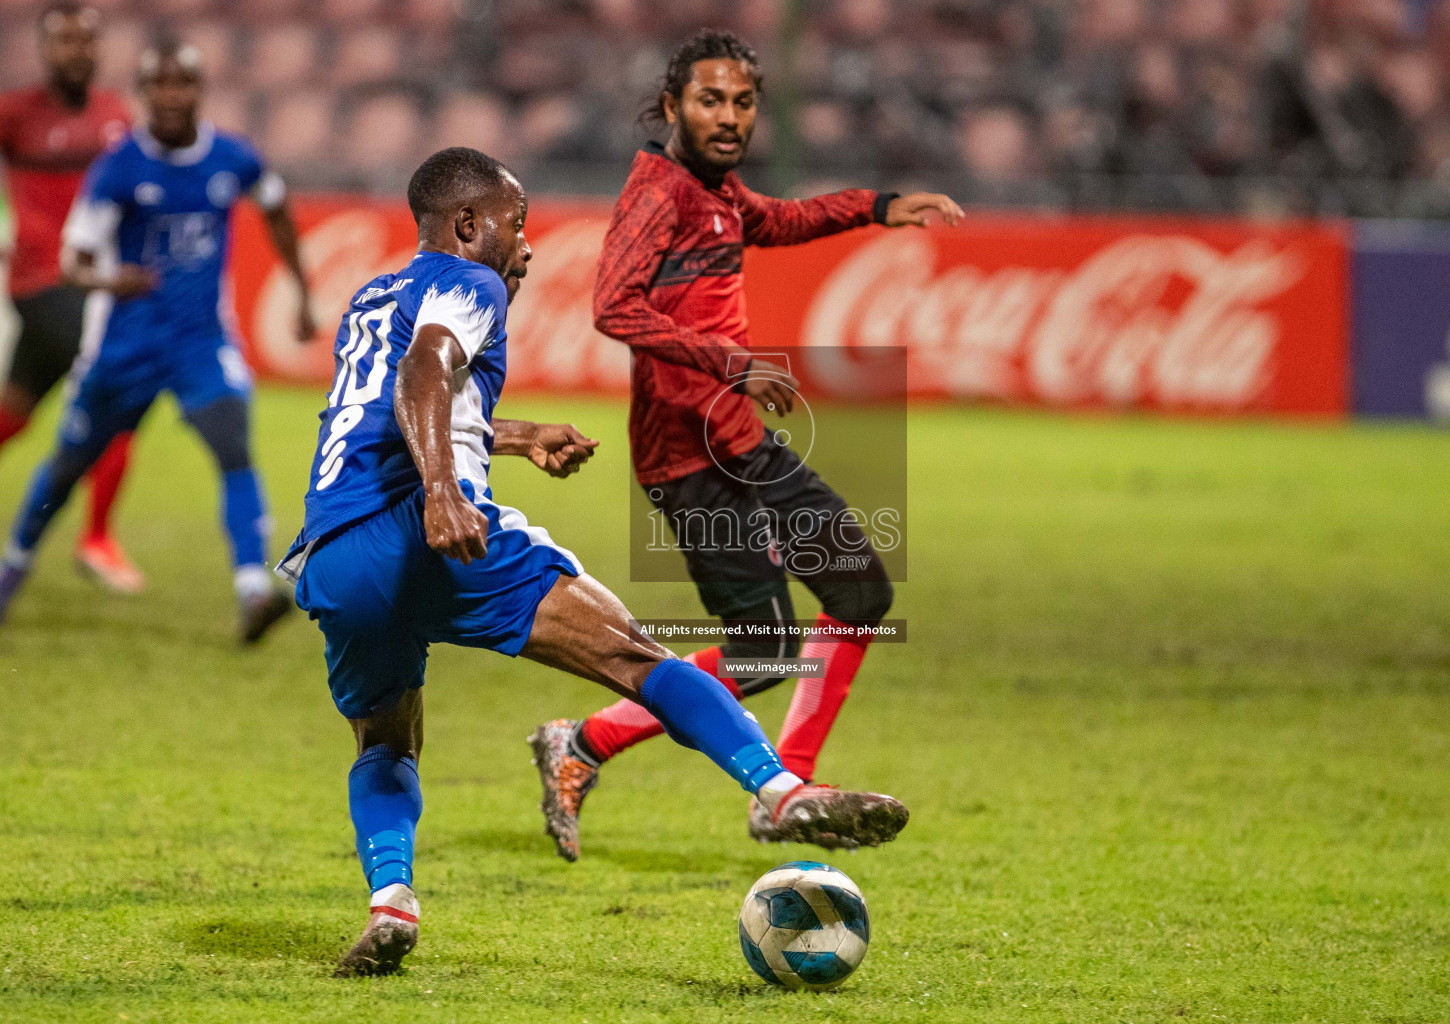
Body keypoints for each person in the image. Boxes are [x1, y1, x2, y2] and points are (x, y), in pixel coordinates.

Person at [276, 146, 907, 977]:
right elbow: (427, 370)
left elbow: (387, 408)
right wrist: (441, 492)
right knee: (636, 655)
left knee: (386, 740)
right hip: (428, 532)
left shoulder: (373, 295)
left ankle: (391, 901)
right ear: (468, 226)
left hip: (331, 558)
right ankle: (782, 791)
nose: (527, 246)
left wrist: (520, 435)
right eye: (516, 224)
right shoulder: (471, 284)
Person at [528, 29, 962, 861]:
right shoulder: (658, 192)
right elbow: (613, 307)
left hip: (742, 443)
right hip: (687, 462)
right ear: (670, 107)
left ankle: (783, 788)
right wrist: (732, 362)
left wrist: (875, 206)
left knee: (860, 596)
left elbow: (780, 218)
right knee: (765, 654)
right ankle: (581, 742)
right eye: (710, 101)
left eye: (743, 102)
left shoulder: (716, 191)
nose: (729, 117)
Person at [0, 40, 314, 641]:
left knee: (233, 447)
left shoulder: (232, 157)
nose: (171, 96)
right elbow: (75, 258)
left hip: (200, 343)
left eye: (183, 83)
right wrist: (106, 280)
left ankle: (252, 587)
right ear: (143, 95)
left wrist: (301, 289)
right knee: (68, 465)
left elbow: (274, 206)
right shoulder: (119, 166)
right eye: (159, 85)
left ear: (199, 90)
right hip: (124, 346)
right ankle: (13, 565)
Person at [0, 1, 141, 592]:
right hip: (42, 281)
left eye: (86, 40)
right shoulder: (16, 114)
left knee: (14, 410)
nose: (76, 51)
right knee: (116, 394)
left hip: (93, 283)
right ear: (44, 49)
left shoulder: (115, 115)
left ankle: (95, 538)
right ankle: (96, 539)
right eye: (63, 42)